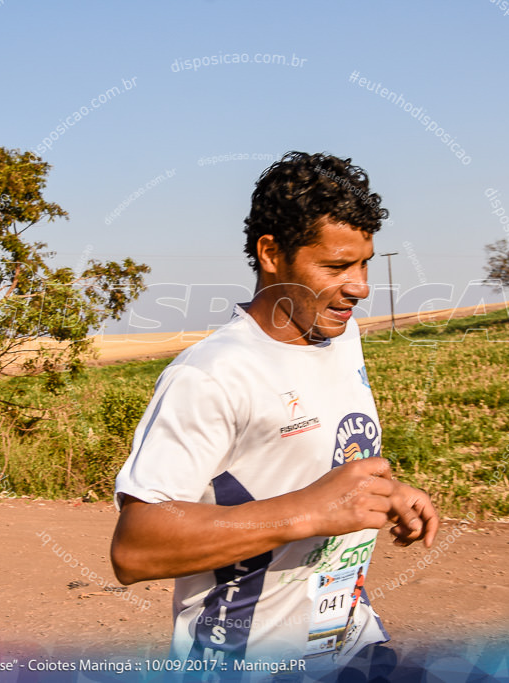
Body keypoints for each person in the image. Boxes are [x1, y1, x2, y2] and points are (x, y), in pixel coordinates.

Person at [110, 151, 439, 672]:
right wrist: (309, 513)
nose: (360, 286)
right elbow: (136, 547)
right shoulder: (211, 375)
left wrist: (386, 494)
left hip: (349, 645)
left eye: (363, 262)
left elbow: (314, 460)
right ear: (270, 253)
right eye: (336, 266)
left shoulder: (341, 334)